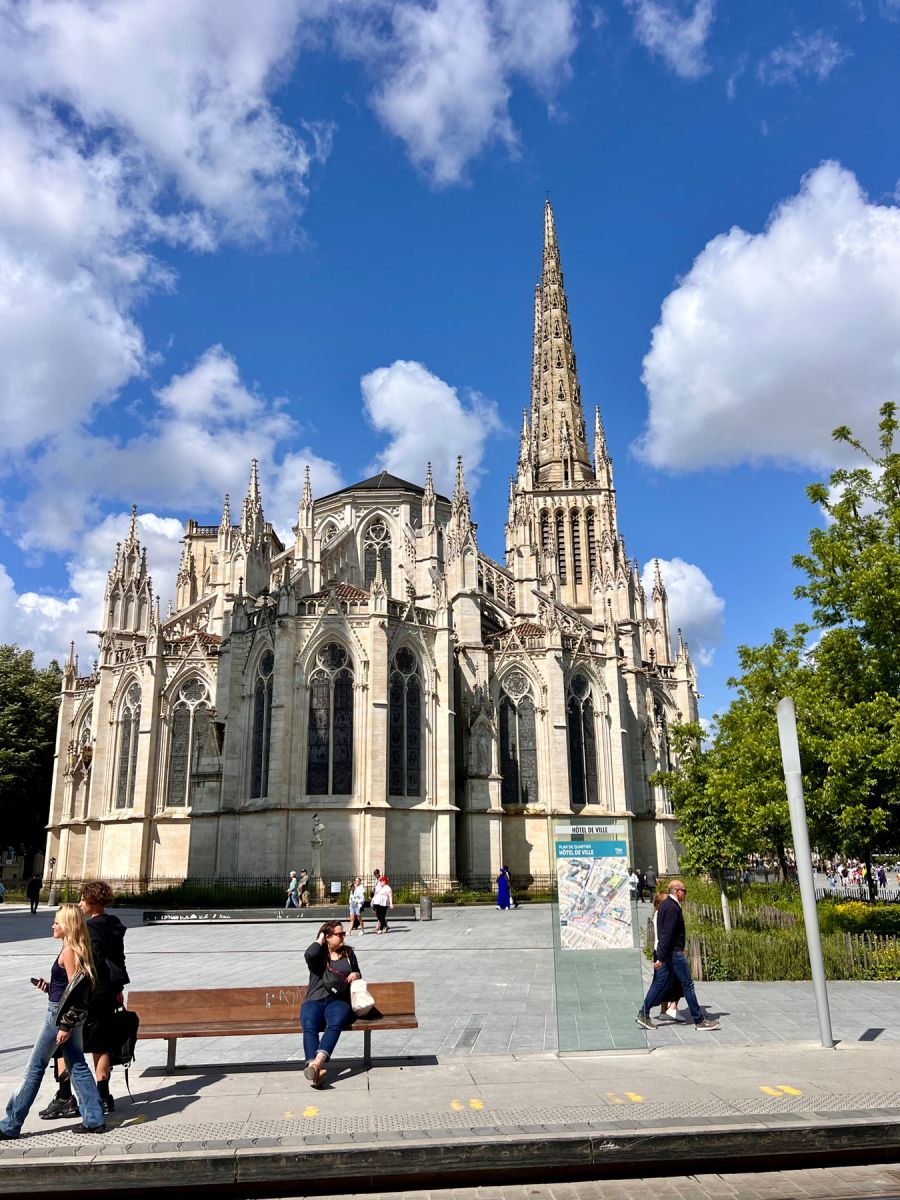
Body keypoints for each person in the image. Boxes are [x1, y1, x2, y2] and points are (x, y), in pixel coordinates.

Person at [0, 905, 106, 1138]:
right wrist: (48, 987)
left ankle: (10, 1125)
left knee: (34, 1068)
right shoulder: (78, 950)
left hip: (58, 1017)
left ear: (67, 926)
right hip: (66, 1014)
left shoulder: (69, 952)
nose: (53, 925)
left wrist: (65, 1026)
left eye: (57, 922)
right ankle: (94, 1119)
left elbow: (77, 994)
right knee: (77, 1065)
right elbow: (71, 989)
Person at [41, 882, 129, 1119]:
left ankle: (64, 1096)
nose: (80, 904)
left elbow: (87, 963)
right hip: (110, 991)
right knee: (102, 1042)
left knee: (64, 1041)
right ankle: (104, 1096)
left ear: (92, 901)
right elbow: (118, 960)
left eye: (82, 900)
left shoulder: (90, 929)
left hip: (91, 991)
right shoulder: (114, 926)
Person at [636, 880, 719, 1032]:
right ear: (678, 891)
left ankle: (643, 1013)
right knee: (687, 984)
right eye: (684, 891)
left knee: (659, 984)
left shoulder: (665, 905)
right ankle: (699, 1020)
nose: (685, 894)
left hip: (668, 953)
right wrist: (661, 957)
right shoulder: (673, 908)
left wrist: (660, 955)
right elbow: (666, 934)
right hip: (673, 954)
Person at [300, 920, 361, 1087]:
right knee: (309, 1024)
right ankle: (316, 1071)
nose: (343, 937)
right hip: (315, 999)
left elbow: (358, 971)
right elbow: (309, 954)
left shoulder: (348, 953)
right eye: (339, 934)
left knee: (336, 1022)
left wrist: (355, 974)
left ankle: (316, 1063)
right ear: (328, 936)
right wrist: (320, 939)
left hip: (339, 1000)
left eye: (343, 934)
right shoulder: (318, 954)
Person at [650, 892, 683, 1023]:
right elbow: (668, 935)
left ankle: (664, 1010)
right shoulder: (665, 914)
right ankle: (672, 1007)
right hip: (666, 951)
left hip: (658, 950)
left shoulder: (658, 913)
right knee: (678, 980)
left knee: (662, 981)